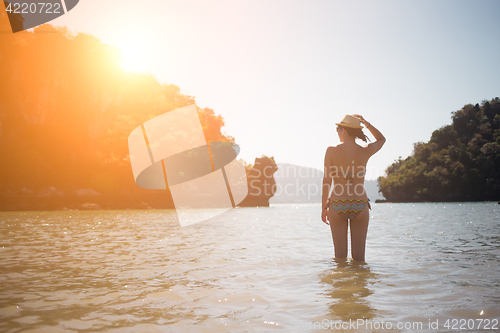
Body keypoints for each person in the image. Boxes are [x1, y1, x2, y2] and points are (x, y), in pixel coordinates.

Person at [321, 114, 385, 262]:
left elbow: (326, 181)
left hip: (337, 205)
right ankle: (361, 283)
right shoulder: (365, 150)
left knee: (340, 259)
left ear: (344, 130)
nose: (337, 132)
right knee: (359, 260)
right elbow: (382, 140)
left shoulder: (331, 151)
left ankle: (342, 283)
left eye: (338, 129)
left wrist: (323, 208)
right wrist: (366, 123)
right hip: (360, 204)